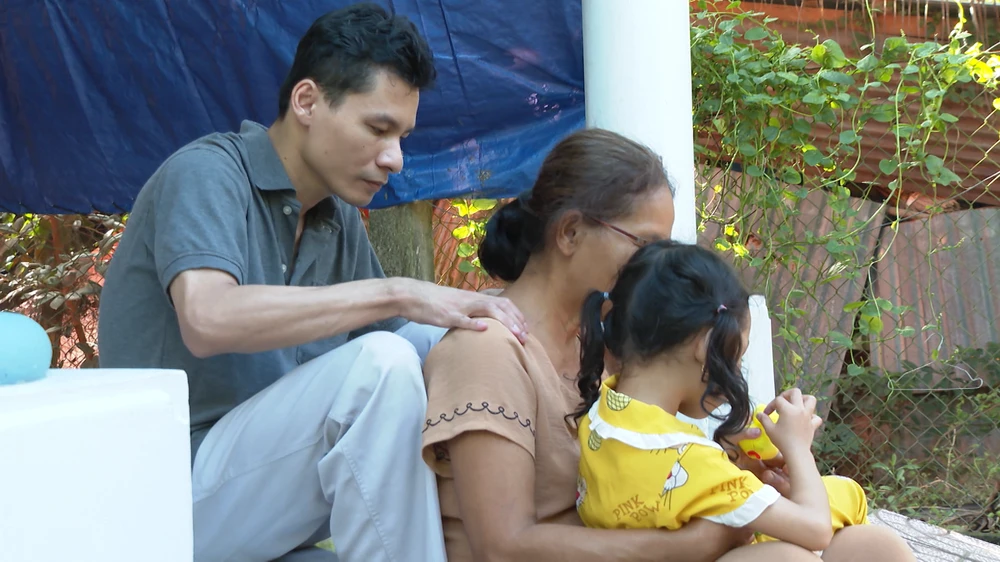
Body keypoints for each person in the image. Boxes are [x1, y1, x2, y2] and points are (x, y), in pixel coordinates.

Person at [97, 4, 526, 561]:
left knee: (460, 337)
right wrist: (398, 290)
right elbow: (207, 318)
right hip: (161, 497)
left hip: (259, 501)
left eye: (402, 136)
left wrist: (498, 318)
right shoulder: (207, 172)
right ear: (306, 102)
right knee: (380, 366)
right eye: (378, 129)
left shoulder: (333, 214)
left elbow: (411, 344)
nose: (395, 159)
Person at [420, 128, 916, 562]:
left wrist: (736, 477)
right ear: (570, 232)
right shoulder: (487, 351)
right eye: (645, 243)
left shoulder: (605, 341)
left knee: (870, 547)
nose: (657, 264)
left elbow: (648, 477)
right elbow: (503, 547)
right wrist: (693, 543)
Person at [573, 241, 915, 561]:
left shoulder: (602, 411)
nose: (735, 373)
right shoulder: (688, 459)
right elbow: (815, 528)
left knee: (872, 544)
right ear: (706, 345)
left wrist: (732, 467)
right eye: (736, 357)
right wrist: (797, 448)